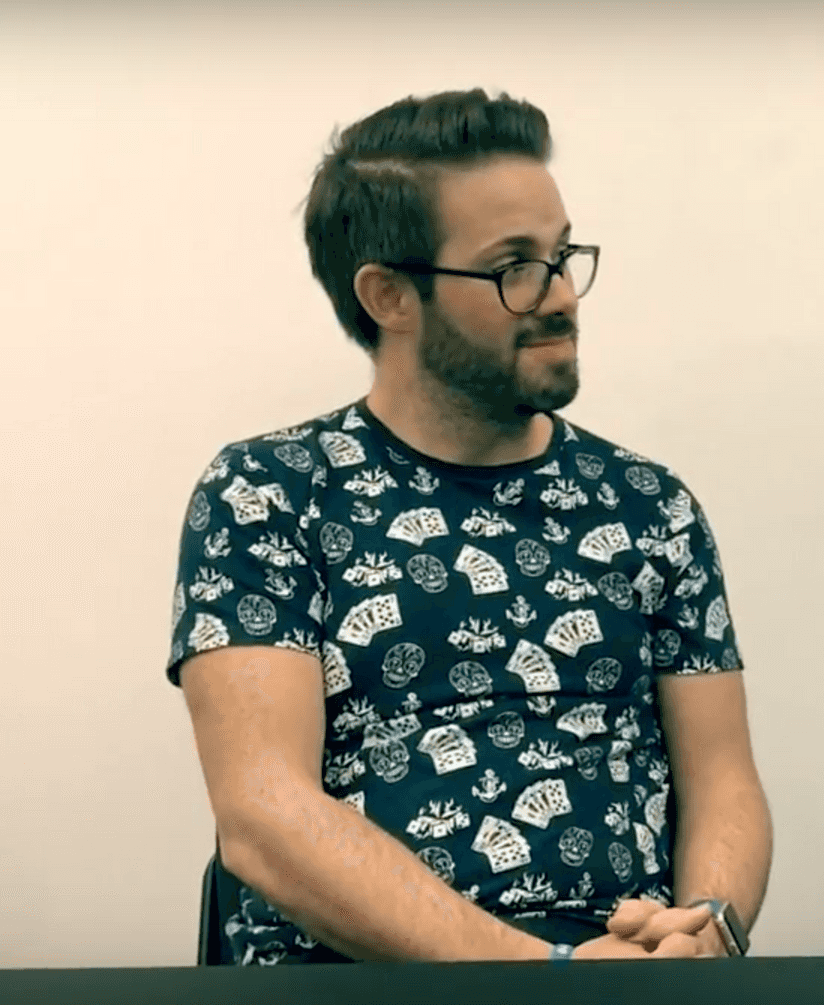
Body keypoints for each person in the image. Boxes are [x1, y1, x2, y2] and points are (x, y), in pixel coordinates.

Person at [167, 89, 771, 964]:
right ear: (389, 295)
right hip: (355, 975)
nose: (560, 295)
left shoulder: (649, 504)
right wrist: (540, 976)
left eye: (562, 256)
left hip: (624, 967)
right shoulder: (270, 494)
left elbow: (723, 777)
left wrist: (708, 932)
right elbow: (264, 815)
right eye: (514, 266)